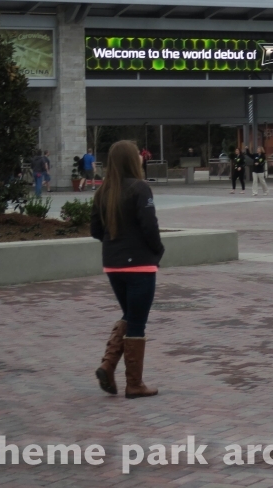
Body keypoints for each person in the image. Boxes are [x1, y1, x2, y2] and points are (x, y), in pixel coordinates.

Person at [90, 140, 163, 399]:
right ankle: (134, 384)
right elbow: (149, 226)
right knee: (137, 322)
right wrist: (157, 251)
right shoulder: (140, 188)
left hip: (113, 265)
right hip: (140, 265)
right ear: (133, 160)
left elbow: (95, 231)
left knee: (130, 314)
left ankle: (108, 366)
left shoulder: (103, 192)